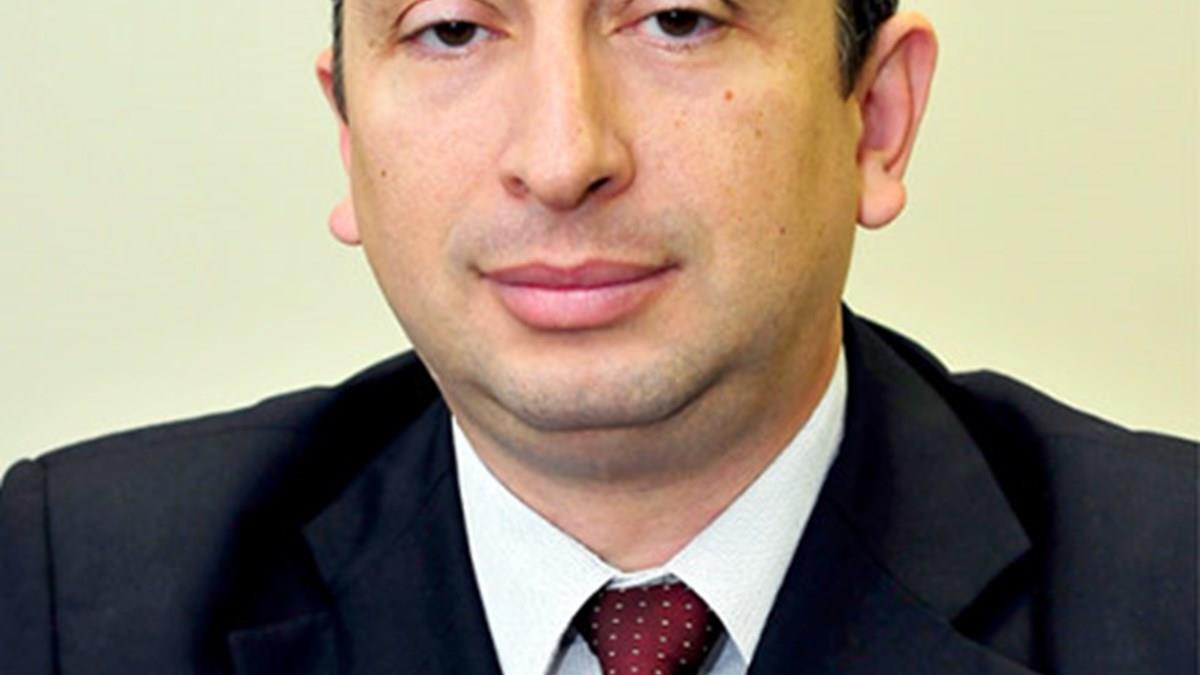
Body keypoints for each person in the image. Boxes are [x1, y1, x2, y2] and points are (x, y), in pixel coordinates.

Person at [1, 0, 1194, 673]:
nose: (564, 157)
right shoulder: (68, 595)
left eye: (676, 19)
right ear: (349, 135)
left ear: (877, 120)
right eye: (452, 31)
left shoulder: (1170, 590)